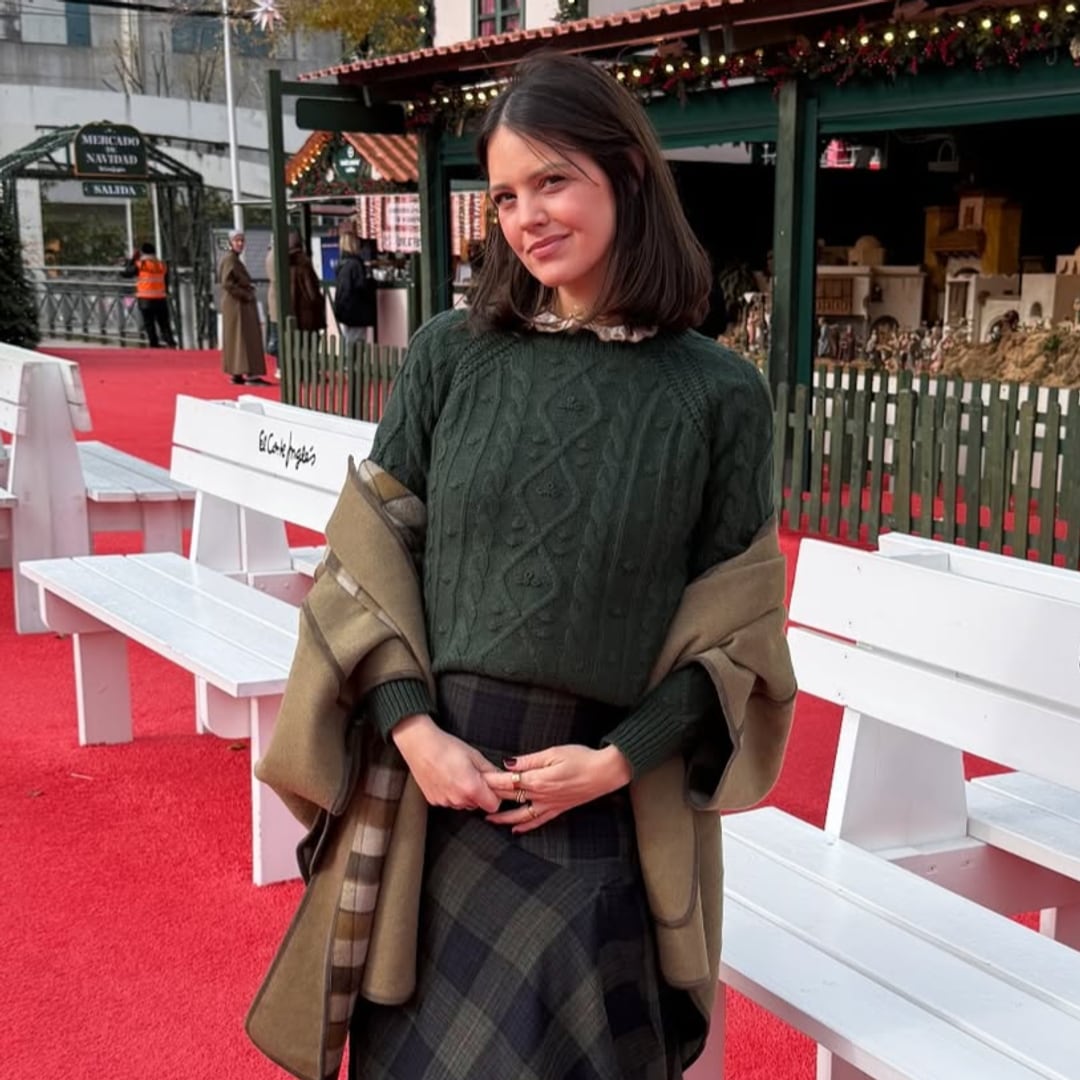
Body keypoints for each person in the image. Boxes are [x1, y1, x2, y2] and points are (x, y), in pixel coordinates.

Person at [248, 50, 796, 1080]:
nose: (526, 215)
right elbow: (364, 569)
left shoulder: (721, 394)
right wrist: (412, 731)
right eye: (504, 194)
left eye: (553, 180)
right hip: (438, 794)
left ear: (626, 177)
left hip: (598, 804)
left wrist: (619, 759)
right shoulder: (453, 355)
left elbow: (738, 638)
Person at [217, 230, 267, 385]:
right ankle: (250, 373)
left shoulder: (231, 259)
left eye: (242, 241)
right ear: (231, 242)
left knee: (237, 339)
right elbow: (227, 283)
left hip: (235, 303)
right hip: (238, 304)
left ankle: (237, 372)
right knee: (246, 338)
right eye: (237, 240)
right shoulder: (231, 260)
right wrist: (246, 294)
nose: (240, 244)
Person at [122, 242, 175, 348]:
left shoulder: (140, 264)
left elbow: (126, 273)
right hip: (160, 298)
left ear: (142, 252)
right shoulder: (161, 265)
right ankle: (171, 343)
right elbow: (166, 281)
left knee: (149, 324)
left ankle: (154, 344)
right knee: (164, 323)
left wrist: (132, 259)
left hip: (145, 298)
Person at [333, 231, 376, 349]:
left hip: (344, 311)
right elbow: (362, 287)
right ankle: (354, 367)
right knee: (357, 343)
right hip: (356, 312)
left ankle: (348, 365)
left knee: (348, 341)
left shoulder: (341, 264)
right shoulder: (356, 264)